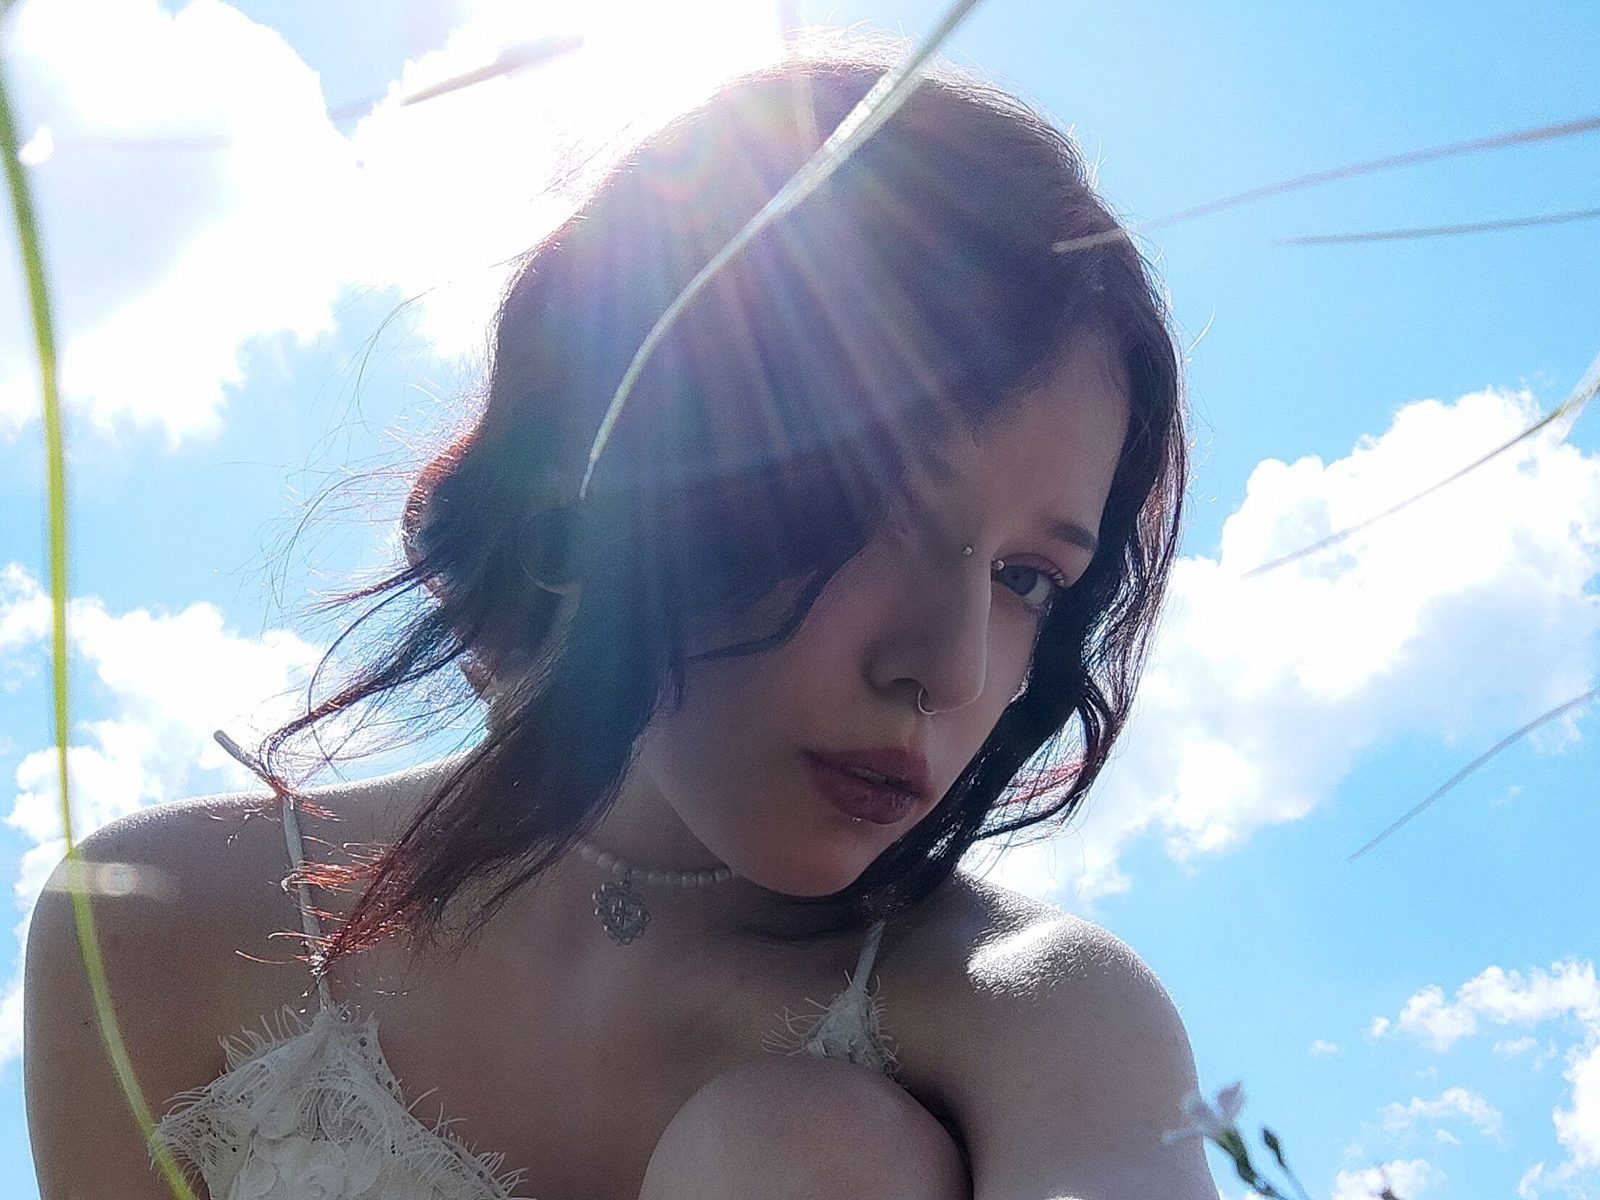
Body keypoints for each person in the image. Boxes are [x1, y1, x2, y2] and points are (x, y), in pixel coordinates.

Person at [24, 46, 1214, 1200]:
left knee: (808, 1150)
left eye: (1028, 579)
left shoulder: (1024, 1006)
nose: (948, 668)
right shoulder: (163, 922)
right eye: (873, 507)